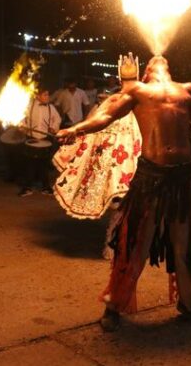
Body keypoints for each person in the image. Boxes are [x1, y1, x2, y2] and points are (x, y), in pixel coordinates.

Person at [57, 55, 191, 332]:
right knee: (135, 243)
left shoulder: (188, 89)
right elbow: (106, 116)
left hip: (185, 176)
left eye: (161, 58)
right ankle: (114, 305)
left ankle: (189, 304)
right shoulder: (137, 90)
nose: (158, 58)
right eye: (152, 61)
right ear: (146, 71)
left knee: (183, 244)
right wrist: (76, 129)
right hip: (151, 176)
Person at [53, 56, 143, 259]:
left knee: (130, 206)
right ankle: (116, 248)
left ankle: (125, 247)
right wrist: (73, 133)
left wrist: (73, 132)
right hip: (114, 163)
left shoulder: (137, 102)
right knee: (124, 206)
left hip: (133, 161)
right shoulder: (113, 101)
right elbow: (92, 125)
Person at [18, 90, 61, 197]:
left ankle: (46, 187)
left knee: (44, 164)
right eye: (45, 94)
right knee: (30, 164)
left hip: (46, 138)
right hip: (32, 138)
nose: (47, 96)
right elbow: (21, 118)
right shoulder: (29, 107)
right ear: (37, 96)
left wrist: (54, 128)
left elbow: (57, 119)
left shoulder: (51, 107)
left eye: (48, 94)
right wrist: (23, 126)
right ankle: (27, 188)